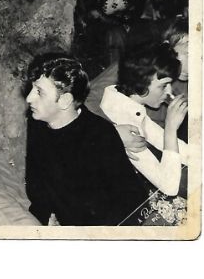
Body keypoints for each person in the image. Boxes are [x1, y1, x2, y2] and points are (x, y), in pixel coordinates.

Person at [25, 54, 147, 226]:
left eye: (39, 92)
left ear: (65, 100)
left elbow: (127, 201)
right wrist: (46, 216)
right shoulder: (37, 122)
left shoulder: (100, 137)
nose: (29, 98)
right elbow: (35, 182)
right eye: (32, 88)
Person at [85, 17, 189, 154]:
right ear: (167, 47)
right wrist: (115, 135)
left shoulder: (192, 85)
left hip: (156, 149)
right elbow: (87, 99)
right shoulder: (141, 66)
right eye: (189, 53)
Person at [100, 43, 188, 196]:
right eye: (163, 86)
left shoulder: (125, 101)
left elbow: (160, 139)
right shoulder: (121, 119)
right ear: (140, 83)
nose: (169, 92)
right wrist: (171, 127)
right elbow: (169, 187)